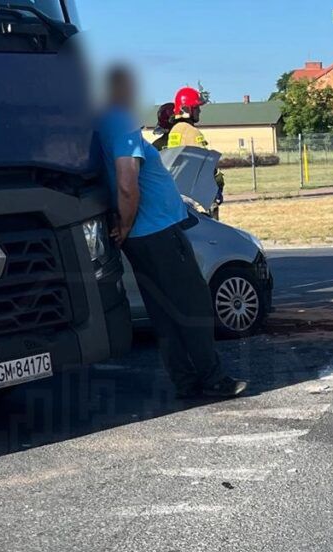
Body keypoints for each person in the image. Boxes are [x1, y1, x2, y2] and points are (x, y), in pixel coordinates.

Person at [97, 66, 246, 400]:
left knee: (164, 313)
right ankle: (212, 379)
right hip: (157, 231)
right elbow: (126, 181)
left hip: (142, 233)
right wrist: (126, 220)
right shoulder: (120, 120)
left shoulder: (102, 123)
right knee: (192, 305)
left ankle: (186, 382)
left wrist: (125, 225)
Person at [166, 86, 225, 218]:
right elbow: (206, 164)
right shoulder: (191, 132)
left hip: (178, 189)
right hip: (194, 192)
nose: (199, 111)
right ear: (187, 109)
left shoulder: (174, 130)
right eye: (196, 107)